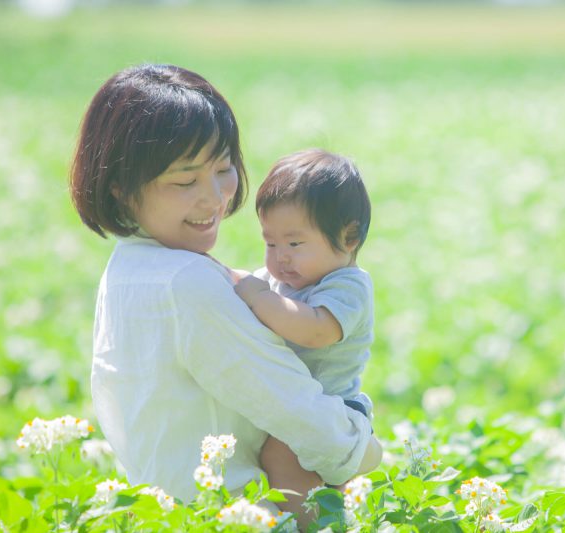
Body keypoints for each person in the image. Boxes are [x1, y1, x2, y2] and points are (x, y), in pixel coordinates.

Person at [69, 64, 381, 521]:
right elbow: (291, 405)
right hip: (233, 515)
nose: (213, 197)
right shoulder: (186, 281)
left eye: (223, 168)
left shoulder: (126, 267)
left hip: (167, 514)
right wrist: (366, 452)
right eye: (184, 180)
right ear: (120, 187)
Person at [233, 149, 375, 514]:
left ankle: (307, 524)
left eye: (294, 244)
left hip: (335, 409)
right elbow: (249, 291)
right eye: (270, 243)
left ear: (349, 237)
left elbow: (315, 331)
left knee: (282, 452)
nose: (281, 257)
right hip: (302, 405)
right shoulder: (279, 281)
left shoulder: (348, 286)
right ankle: (327, 515)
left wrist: (260, 298)